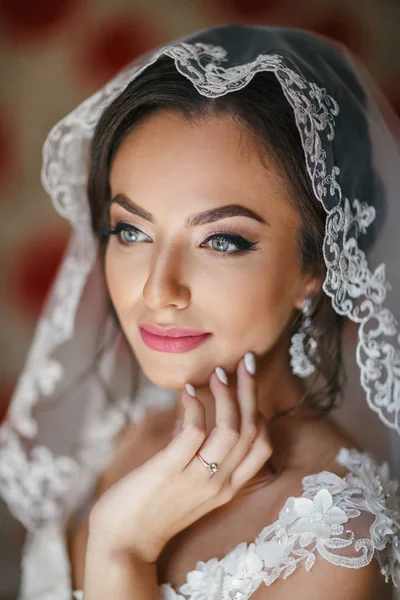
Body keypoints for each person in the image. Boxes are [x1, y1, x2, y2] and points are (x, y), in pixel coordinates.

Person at [1, 23, 400, 600]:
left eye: (223, 241)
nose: (159, 290)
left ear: (315, 267)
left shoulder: (333, 545)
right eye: (130, 231)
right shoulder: (118, 431)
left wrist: (123, 549)